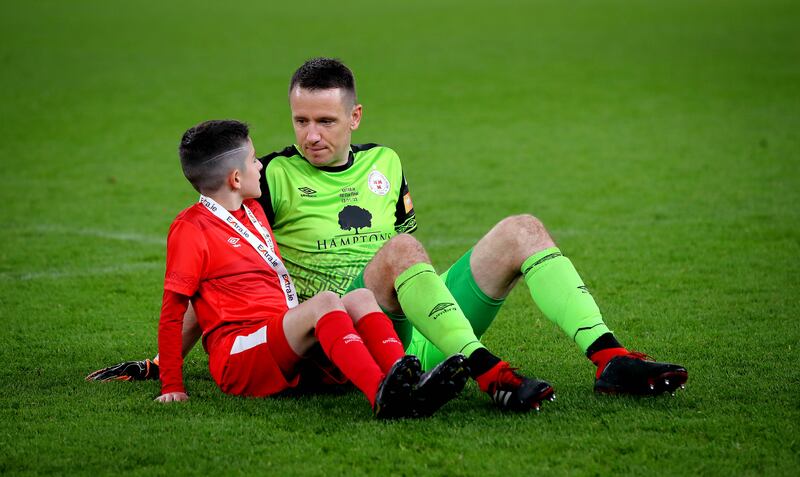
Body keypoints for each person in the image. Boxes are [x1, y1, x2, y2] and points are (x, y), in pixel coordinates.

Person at [88, 58, 687, 409]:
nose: (311, 135)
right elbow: (220, 277)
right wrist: (162, 364)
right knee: (399, 251)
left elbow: (411, 266)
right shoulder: (268, 178)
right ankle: (489, 374)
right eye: (300, 120)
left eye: (325, 120)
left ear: (355, 118)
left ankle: (611, 358)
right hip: (342, 332)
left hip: (413, 328)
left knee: (522, 229)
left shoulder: (388, 164)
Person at [141, 119, 469, 419]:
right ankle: (381, 397)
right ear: (236, 178)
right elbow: (173, 312)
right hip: (239, 356)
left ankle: (407, 382)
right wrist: (171, 385)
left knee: (359, 298)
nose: (260, 166)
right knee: (326, 300)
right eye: (254, 160)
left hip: (280, 338)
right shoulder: (190, 229)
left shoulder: (253, 210)